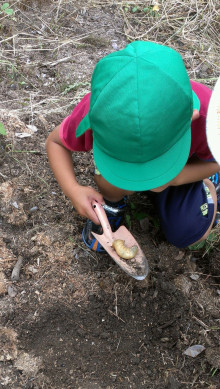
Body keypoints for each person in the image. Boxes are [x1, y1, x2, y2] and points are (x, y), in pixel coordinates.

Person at [46, 41, 220, 252]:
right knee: (107, 179)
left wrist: (175, 178)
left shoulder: (210, 119)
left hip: (185, 168)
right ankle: (113, 205)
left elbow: (217, 163)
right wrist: (73, 189)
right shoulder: (101, 112)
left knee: (190, 231)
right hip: (166, 171)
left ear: (190, 118)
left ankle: (207, 186)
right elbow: (55, 142)